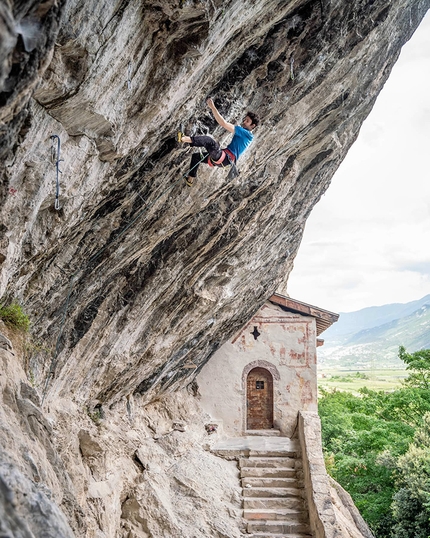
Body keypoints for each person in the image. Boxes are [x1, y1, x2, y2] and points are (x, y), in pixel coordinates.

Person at [178, 98, 260, 186]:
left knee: (209, 141)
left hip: (224, 157)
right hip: (225, 161)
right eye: (245, 119)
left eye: (247, 121)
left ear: (253, 125)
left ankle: (183, 138)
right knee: (196, 157)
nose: (244, 121)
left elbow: (223, 123)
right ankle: (190, 180)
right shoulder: (248, 136)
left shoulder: (246, 133)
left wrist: (213, 107)